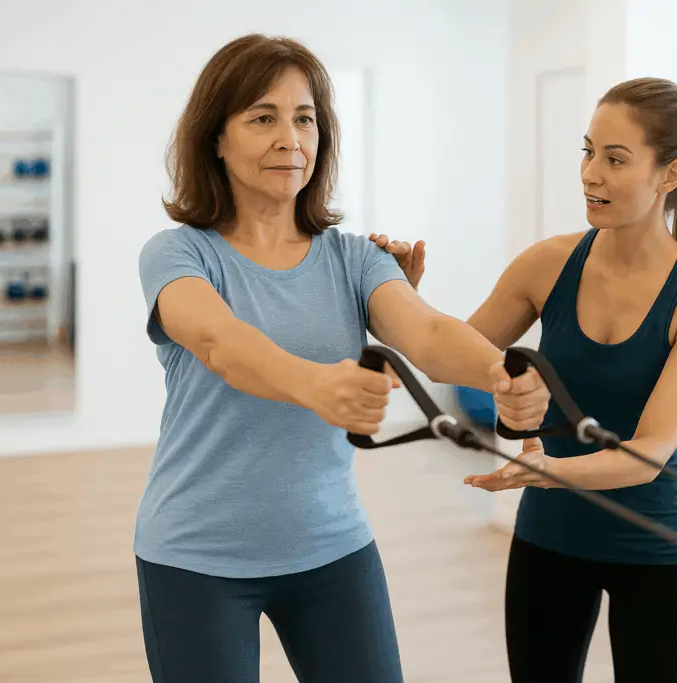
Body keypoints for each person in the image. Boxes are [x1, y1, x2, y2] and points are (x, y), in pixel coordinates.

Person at [134, 34, 550, 683]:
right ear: (216, 137)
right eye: (262, 117)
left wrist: (503, 374)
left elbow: (431, 334)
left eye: (304, 118)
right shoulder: (179, 253)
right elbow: (219, 342)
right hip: (196, 555)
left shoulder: (357, 257)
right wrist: (315, 385)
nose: (289, 137)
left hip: (331, 548)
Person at [371, 76, 677, 682]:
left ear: (669, 176)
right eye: (588, 151)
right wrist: (401, 297)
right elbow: (446, 357)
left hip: (656, 546)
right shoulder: (549, 263)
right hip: (551, 539)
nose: (591, 174)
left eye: (615, 159)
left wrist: (545, 471)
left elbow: (646, 455)